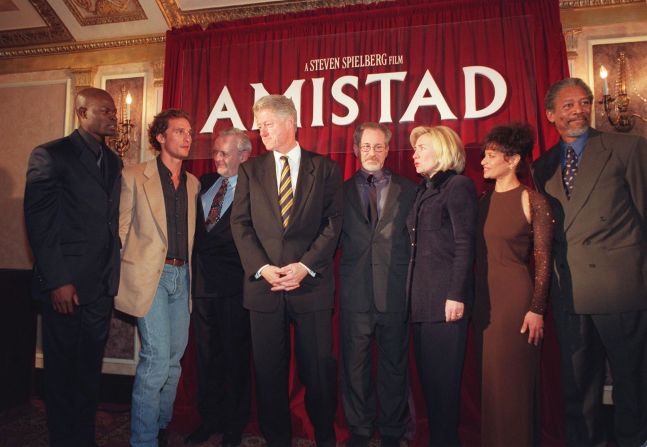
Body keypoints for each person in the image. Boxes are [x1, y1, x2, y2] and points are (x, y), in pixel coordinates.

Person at [532, 77, 647, 447]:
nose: (578, 110)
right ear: (551, 114)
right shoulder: (542, 165)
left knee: (632, 382)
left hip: (621, 289)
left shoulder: (627, 148)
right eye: (567, 105)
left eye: (584, 102)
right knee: (578, 387)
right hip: (569, 294)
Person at [230, 95, 342, 447]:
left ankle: (324, 437)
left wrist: (305, 266)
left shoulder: (325, 169)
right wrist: (262, 268)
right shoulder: (250, 170)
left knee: (319, 371)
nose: (261, 131)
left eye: (268, 123)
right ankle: (276, 439)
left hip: (310, 286)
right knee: (269, 373)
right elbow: (240, 223)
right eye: (259, 124)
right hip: (265, 287)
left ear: (291, 122)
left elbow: (333, 223)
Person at [24, 87, 122, 447]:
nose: (113, 117)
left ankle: (83, 437)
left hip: (100, 286)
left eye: (114, 111)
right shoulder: (50, 155)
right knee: (62, 371)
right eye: (105, 111)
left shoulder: (113, 161)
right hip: (65, 286)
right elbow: (40, 223)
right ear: (81, 113)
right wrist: (58, 280)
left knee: (87, 371)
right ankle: (62, 439)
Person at [115, 109, 200, 447]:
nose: (188, 137)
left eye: (190, 132)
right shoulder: (134, 176)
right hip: (151, 277)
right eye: (180, 131)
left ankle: (161, 426)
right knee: (156, 360)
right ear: (161, 137)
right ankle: (144, 440)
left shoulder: (193, 184)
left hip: (183, 277)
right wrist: (116, 278)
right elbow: (121, 231)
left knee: (174, 361)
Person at [474, 123, 553, 446]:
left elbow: (544, 261)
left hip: (516, 304)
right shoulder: (482, 201)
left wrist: (536, 309)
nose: (482, 162)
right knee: (492, 385)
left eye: (491, 155)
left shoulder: (533, 201)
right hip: (485, 303)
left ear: (513, 160)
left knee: (513, 384)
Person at [339, 122, 417, 447]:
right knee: (354, 367)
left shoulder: (410, 189)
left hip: (394, 291)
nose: (372, 152)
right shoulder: (339, 192)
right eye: (366, 146)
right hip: (355, 292)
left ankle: (391, 430)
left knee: (394, 366)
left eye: (379, 146)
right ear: (356, 150)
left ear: (387, 149)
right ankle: (359, 428)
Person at [406, 125, 477, 447]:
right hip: (421, 303)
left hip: (445, 304)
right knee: (432, 389)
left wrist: (456, 295)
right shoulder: (424, 189)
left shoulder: (457, 185)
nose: (414, 154)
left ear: (443, 149)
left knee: (445, 389)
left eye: (422, 148)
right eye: (414, 148)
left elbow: (465, 243)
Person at [185, 128, 252, 447]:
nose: (218, 159)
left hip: (237, 288)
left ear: (244, 155)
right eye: (215, 152)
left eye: (225, 153)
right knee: (207, 358)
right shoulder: (204, 184)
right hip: (201, 287)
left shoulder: (256, 189)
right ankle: (209, 419)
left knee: (236, 358)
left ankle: (234, 426)